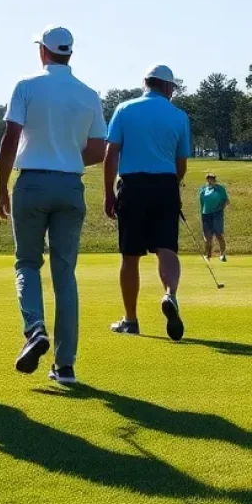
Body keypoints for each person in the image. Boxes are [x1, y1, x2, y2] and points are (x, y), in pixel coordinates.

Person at [0, 26, 106, 386]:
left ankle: (35, 330)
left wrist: (2, 188)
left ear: (43, 51)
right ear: (69, 53)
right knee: (64, 275)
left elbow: (11, 137)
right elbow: (98, 150)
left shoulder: (26, 86)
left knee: (27, 262)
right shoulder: (88, 94)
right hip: (70, 186)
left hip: (32, 183)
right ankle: (65, 365)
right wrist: (68, 156)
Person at [104, 65, 191, 341]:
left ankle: (130, 320)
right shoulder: (179, 116)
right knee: (166, 249)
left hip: (133, 185)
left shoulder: (124, 109)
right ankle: (170, 294)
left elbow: (111, 154)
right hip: (165, 185)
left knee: (130, 257)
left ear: (146, 83)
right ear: (168, 88)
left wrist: (109, 193)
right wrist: (170, 185)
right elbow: (181, 164)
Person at [197, 173, 229, 262]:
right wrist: (202, 214)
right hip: (205, 215)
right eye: (208, 179)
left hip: (216, 214)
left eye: (212, 178)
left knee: (219, 235)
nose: (210, 180)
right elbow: (202, 203)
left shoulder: (220, 189)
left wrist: (220, 209)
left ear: (214, 179)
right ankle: (208, 255)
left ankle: (222, 255)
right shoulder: (203, 189)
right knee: (207, 237)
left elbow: (226, 201)